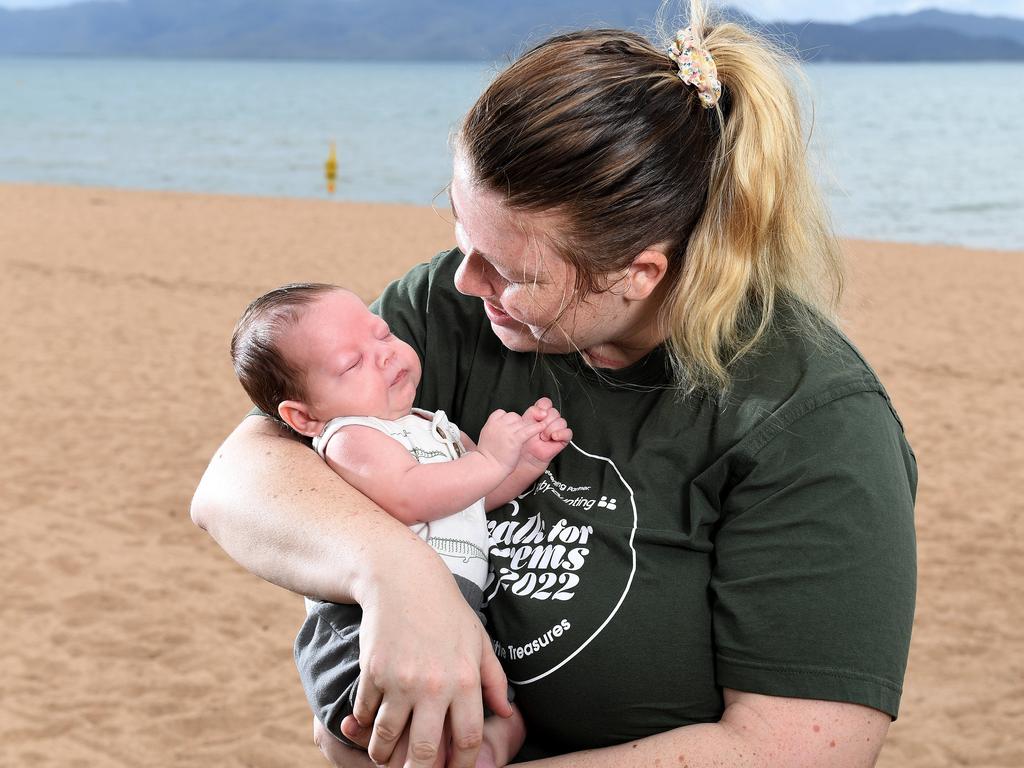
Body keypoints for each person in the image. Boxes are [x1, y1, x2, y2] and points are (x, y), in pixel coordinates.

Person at [191, 3, 917, 767]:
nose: (467, 282)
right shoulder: (453, 306)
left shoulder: (813, 421)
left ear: (639, 273)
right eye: (461, 232)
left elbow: (797, 751)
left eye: (511, 271)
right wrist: (398, 576)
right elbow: (236, 480)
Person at [229, 283, 575, 765]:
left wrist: (524, 463)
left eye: (384, 334)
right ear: (303, 416)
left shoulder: (429, 424)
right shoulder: (351, 437)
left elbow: (470, 495)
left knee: (504, 719)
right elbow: (411, 496)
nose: (386, 355)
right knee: (405, 729)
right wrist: (494, 458)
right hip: (369, 625)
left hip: (456, 610)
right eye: (352, 363)